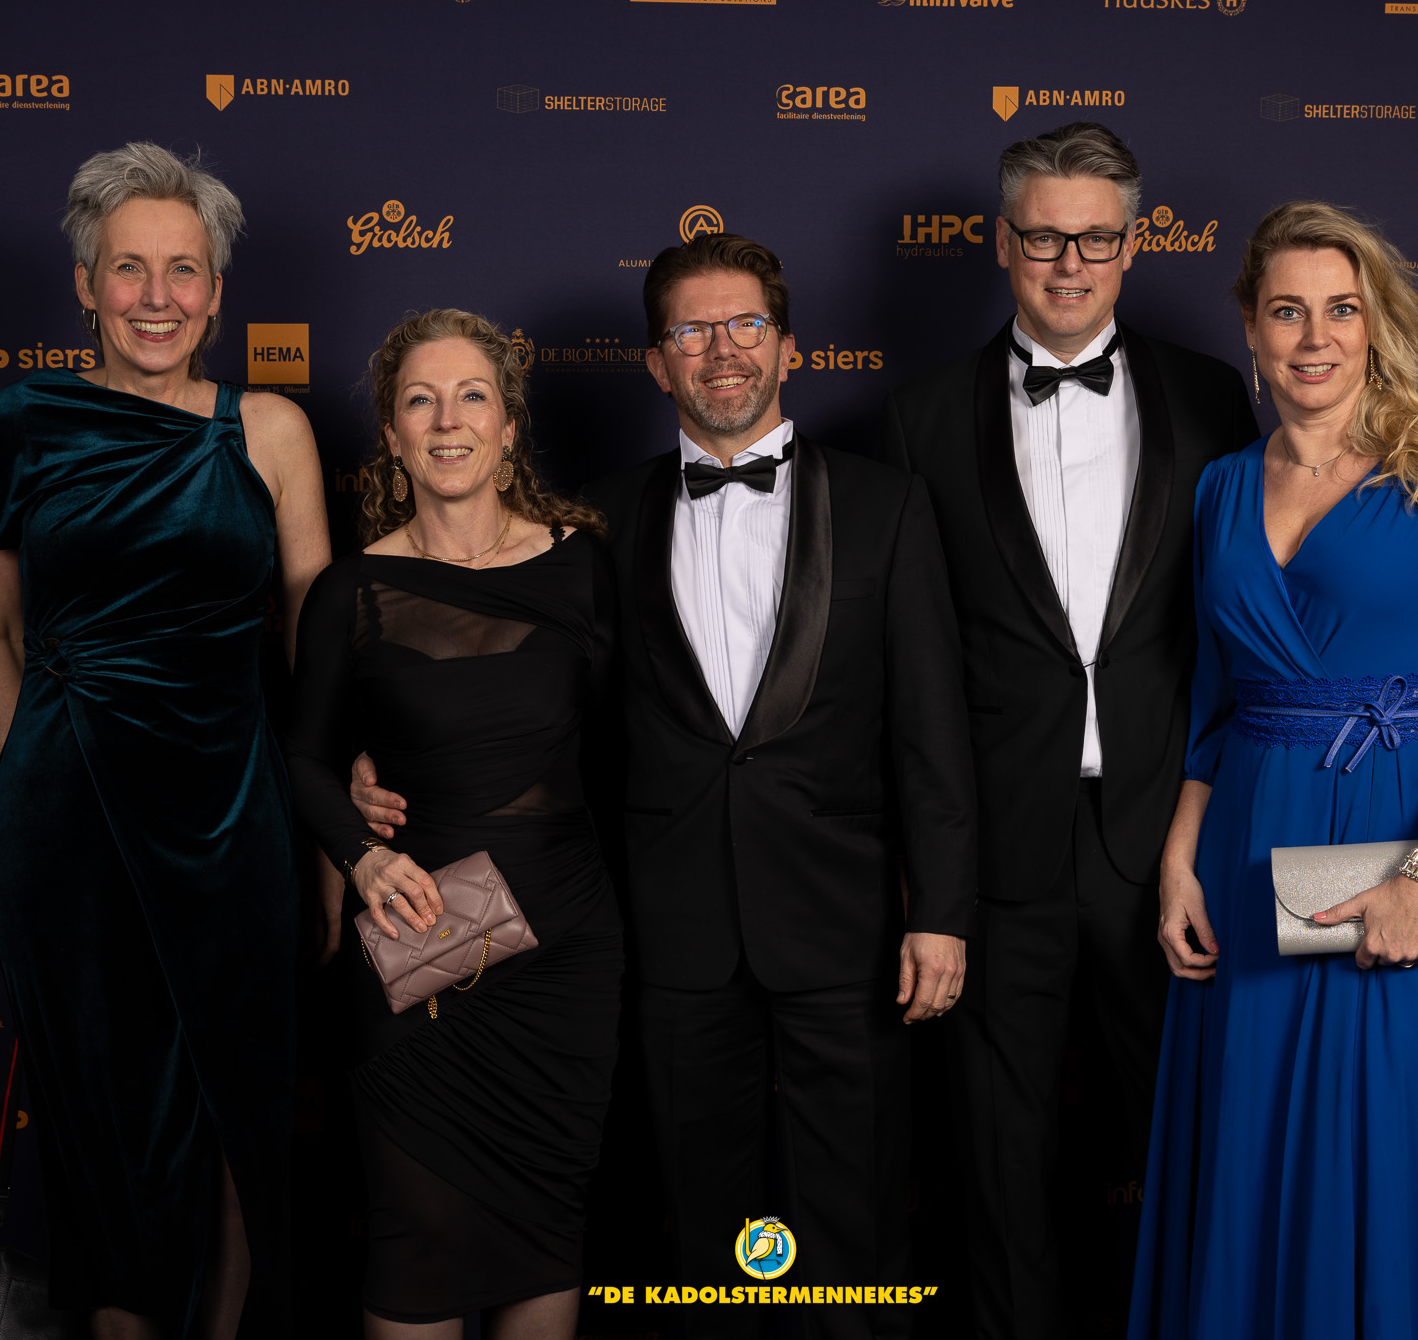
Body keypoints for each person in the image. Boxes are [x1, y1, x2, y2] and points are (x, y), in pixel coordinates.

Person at [355, 233, 976, 1340]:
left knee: (855, 1222)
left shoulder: (887, 505)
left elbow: (932, 728)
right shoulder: (596, 523)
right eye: (691, 331)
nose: (721, 351)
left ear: (789, 348)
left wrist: (939, 911)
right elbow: (521, 700)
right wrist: (377, 761)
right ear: (655, 362)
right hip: (668, 930)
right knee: (700, 1229)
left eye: (745, 325)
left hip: (843, 928)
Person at [1129, 201, 1418, 1339]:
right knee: (1256, 1152)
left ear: (1377, 324)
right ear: (1249, 327)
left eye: (1341, 310)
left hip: (1408, 841)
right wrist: (1178, 862)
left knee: (1399, 1148)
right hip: (1249, 853)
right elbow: (1213, 704)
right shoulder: (1222, 487)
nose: (1313, 337)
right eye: (1286, 311)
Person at [878, 122, 1258, 1338]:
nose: (1068, 264)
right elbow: (909, 669)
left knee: (1187, 1142)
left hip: (1168, 843)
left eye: (1095, 240)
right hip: (997, 850)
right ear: (1002, 244)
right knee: (999, 1166)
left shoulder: (1211, 395)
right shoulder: (916, 420)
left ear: (1132, 248)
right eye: (1043, 238)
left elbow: (1247, 622)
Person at [0, 142, 329, 1339]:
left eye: (183, 270)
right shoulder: (22, 424)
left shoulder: (269, 430)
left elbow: (319, 648)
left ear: (216, 293)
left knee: (236, 1103)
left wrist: (331, 823)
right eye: (129, 269)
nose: (156, 296)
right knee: (105, 1115)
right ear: (85, 286)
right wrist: (35, 777)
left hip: (234, 811)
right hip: (67, 818)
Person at [285, 310, 623, 1340]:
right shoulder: (350, 590)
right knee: (419, 1232)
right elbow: (300, 758)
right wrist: (358, 852)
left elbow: (629, 751)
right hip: (423, 933)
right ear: (391, 436)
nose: (447, 420)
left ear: (508, 426)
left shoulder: (587, 568)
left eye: (472, 396)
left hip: (563, 949)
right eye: (419, 401)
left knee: (546, 1232)